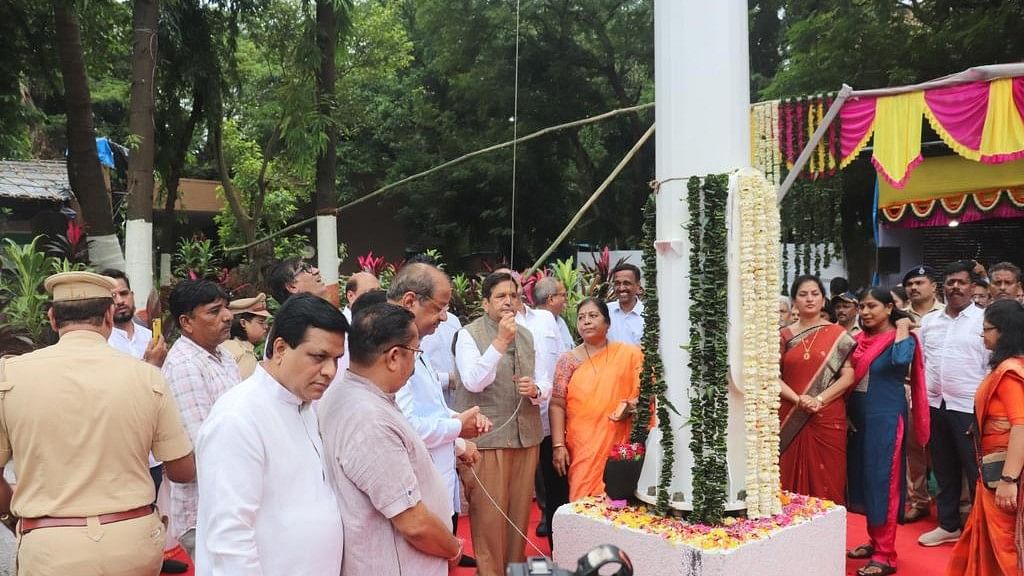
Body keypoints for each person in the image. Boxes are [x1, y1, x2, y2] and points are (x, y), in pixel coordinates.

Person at [0, 271, 195, 575]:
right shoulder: (147, 376)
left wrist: (16, 517)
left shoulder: (9, 376)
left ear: (52, 319)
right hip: (132, 544)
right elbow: (183, 471)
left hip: (49, 546)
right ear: (108, 315)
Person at [195, 294, 346, 575]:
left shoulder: (305, 407)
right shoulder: (238, 418)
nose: (330, 371)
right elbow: (230, 540)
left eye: (336, 359)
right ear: (280, 349)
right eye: (319, 357)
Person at [320, 303, 463, 575]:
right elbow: (413, 522)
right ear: (394, 356)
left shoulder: (350, 395)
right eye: (415, 352)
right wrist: (453, 549)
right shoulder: (368, 418)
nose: (414, 364)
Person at [388, 263, 490, 569]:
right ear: (409, 301)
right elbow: (408, 425)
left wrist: (458, 426)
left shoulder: (414, 345)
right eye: (440, 308)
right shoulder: (389, 348)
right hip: (414, 494)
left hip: (438, 478)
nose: (444, 317)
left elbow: (432, 404)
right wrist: (459, 426)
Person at [454, 271, 551, 576]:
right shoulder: (469, 334)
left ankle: (516, 572)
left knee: (519, 518)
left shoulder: (527, 335)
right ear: (485, 303)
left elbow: (545, 381)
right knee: (489, 521)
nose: (509, 302)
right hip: (488, 439)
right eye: (500, 296)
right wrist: (499, 342)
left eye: (514, 295)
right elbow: (473, 380)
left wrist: (535, 390)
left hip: (526, 437)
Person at [845, 287, 929, 576]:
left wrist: (903, 326)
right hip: (858, 422)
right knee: (865, 480)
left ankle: (886, 555)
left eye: (872, 306)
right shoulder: (857, 341)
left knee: (884, 482)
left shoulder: (902, 339)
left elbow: (901, 360)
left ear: (889, 308)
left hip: (885, 421)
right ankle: (874, 540)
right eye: (862, 307)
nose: (866, 312)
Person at [162, 280, 240, 558]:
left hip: (230, 504)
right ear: (186, 322)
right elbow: (203, 447)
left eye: (226, 308)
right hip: (206, 511)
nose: (228, 316)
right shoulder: (185, 365)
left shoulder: (224, 356)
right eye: (214, 311)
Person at [946, 299, 1024, 575]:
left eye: (987, 329)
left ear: (1004, 332)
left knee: (1007, 549)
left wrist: (1008, 480)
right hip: (994, 468)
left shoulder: (1010, 373)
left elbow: (1021, 427)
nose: (983, 335)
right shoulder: (1012, 366)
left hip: (1005, 476)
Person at [918, 261, 991, 547]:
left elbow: (990, 368)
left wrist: (983, 410)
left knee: (975, 473)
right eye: (950, 282)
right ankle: (948, 525)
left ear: (973, 287)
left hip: (969, 408)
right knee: (944, 470)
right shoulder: (930, 322)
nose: (956, 287)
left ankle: (982, 530)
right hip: (936, 405)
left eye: (961, 282)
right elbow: (922, 363)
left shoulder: (984, 320)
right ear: (942, 287)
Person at [549, 297, 643, 501]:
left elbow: (647, 392)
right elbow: (557, 404)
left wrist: (631, 406)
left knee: (617, 497)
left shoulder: (629, 354)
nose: (586, 321)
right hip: (582, 444)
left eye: (593, 316)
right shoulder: (568, 360)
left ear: (608, 323)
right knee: (582, 498)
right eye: (581, 317)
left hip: (618, 440)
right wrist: (558, 446)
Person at [778, 275, 856, 505]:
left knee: (828, 477)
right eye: (803, 295)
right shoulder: (782, 336)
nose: (809, 299)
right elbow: (772, 376)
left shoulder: (838, 335)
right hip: (790, 413)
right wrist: (798, 399)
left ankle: (827, 535)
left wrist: (819, 399)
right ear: (795, 302)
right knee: (787, 476)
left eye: (815, 294)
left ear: (823, 301)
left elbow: (848, 375)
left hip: (827, 415)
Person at [532, 276, 573, 541]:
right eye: (562, 295)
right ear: (550, 300)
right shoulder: (533, 323)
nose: (565, 299)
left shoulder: (562, 324)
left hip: (563, 403)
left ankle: (561, 512)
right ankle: (547, 512)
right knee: (542, 465)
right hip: (538, 404)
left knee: (556, 463)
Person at [101, 268, 167, 367]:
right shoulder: (102, 341)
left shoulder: (149, 337)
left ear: (132, 295)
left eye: (124, 294)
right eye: (113, 296)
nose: (120, 301)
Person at [221, 292, 271, 379]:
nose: (266, 327)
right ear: (243, 323)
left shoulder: (226, 346)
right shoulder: (243, 353)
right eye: (261, 322)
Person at [606, 263, 644, 345]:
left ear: (638, 286)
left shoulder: (648, 315)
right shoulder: (605, 312)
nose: (621, 288)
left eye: (626, 283)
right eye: (617, 283)